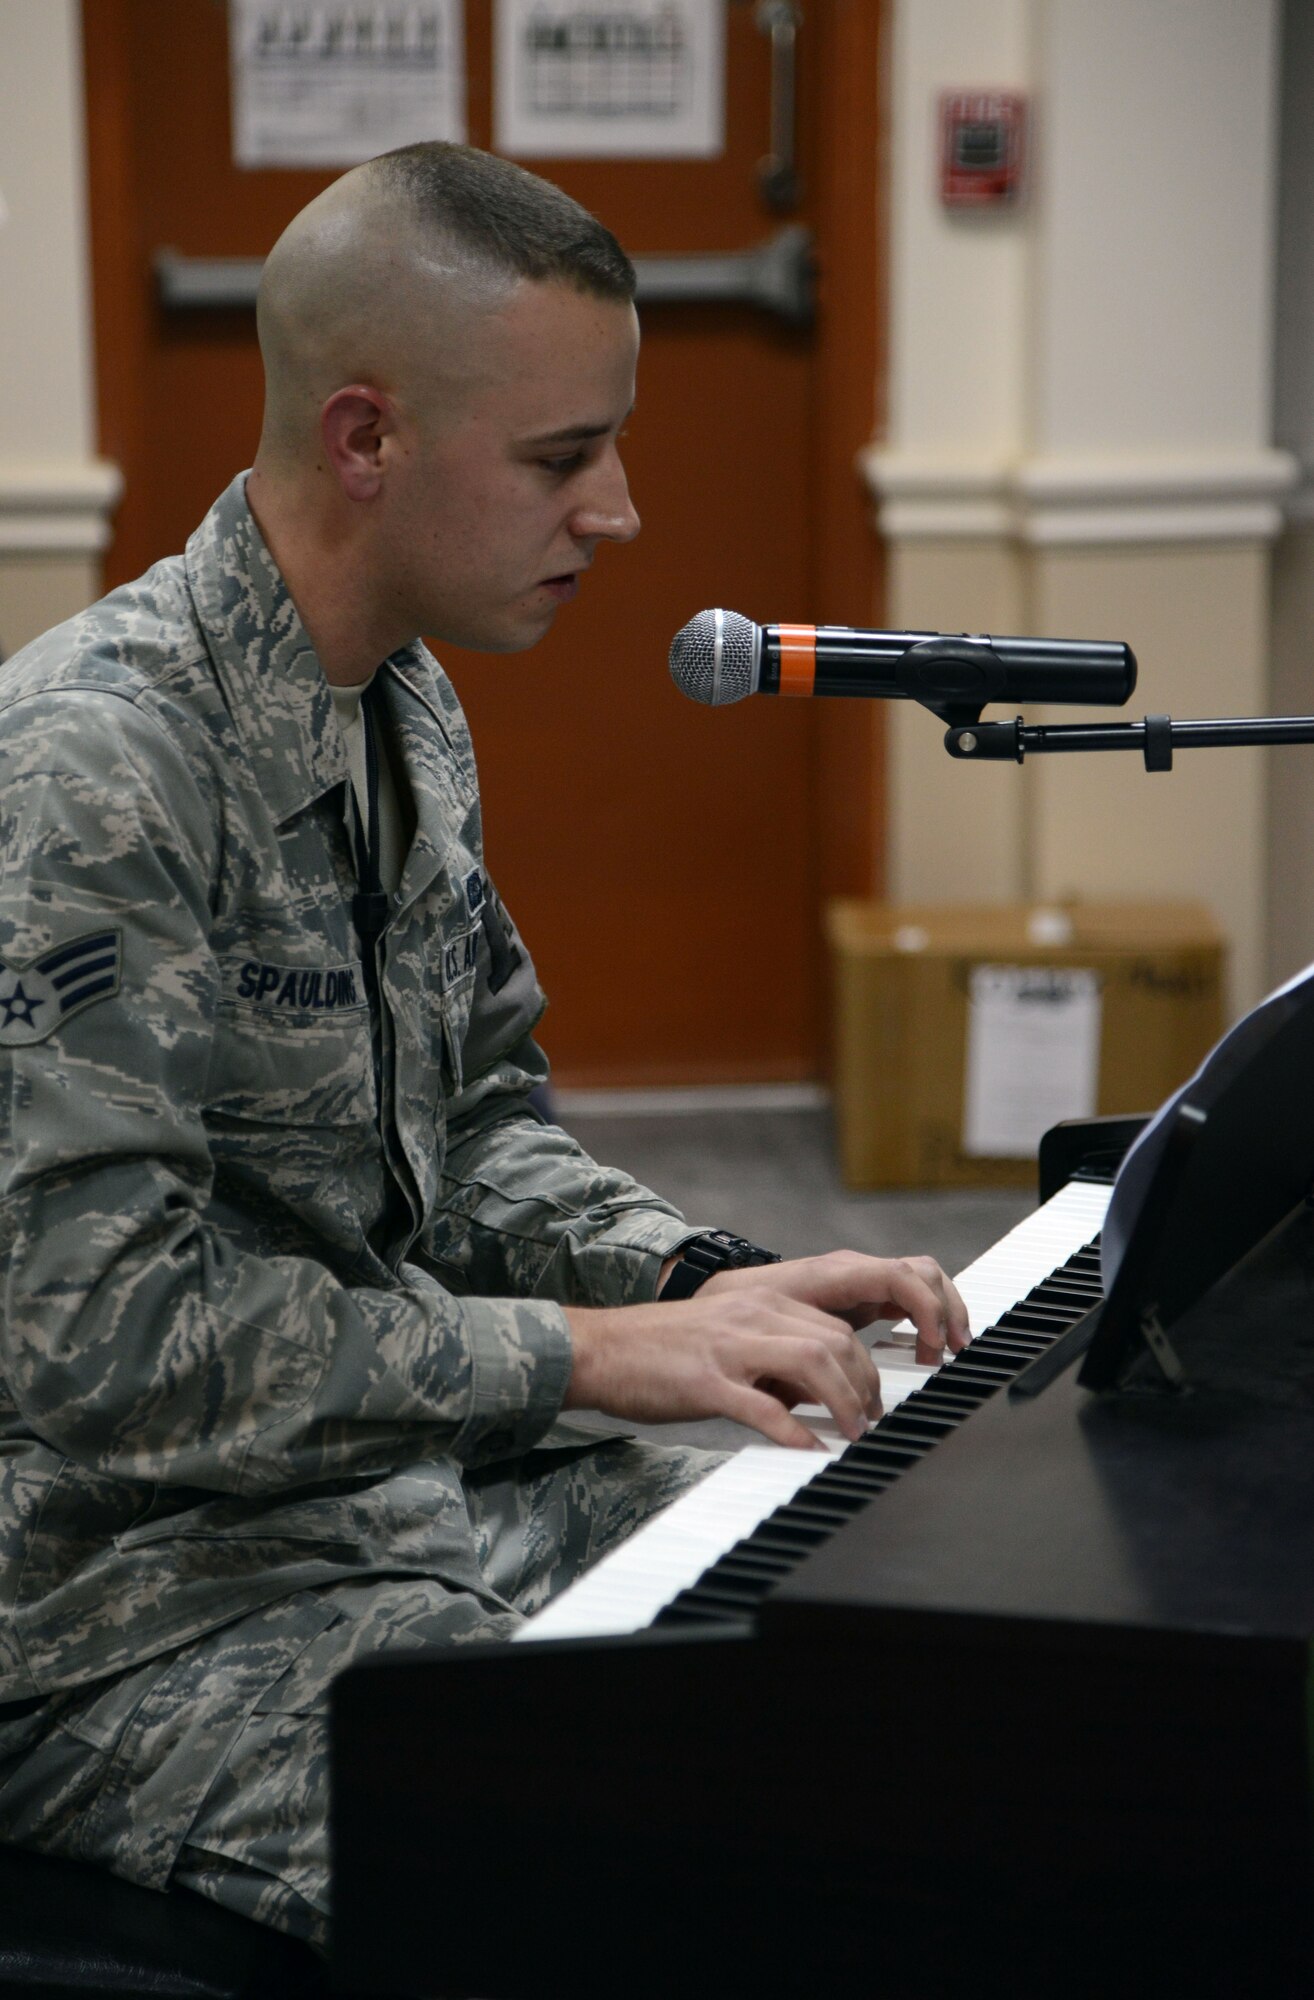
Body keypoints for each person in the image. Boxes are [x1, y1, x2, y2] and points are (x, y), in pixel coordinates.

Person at [0, 143, 967, 1951]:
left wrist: (701, 1278)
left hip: (392, 1483)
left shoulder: (404, 704)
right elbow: (107, 1351)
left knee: (865, 1637)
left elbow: (474, 1129)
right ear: (364, 440)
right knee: (638, 1861)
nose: (617, 513)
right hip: (130, 1604)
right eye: (558, 457)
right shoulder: (94, 770)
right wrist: (590, 1353)